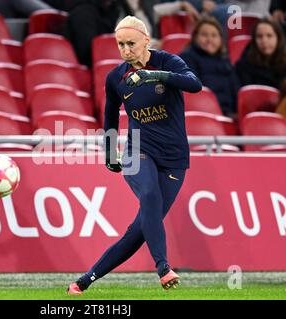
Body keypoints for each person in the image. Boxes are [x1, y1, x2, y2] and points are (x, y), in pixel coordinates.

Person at [67, 15, 202, 295]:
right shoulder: (116, 77)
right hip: (137, 149)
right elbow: (109, 115)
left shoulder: (168, 62)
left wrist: (156, 76)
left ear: (146, 41)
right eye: (120, 44)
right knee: (150, 195)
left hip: (174, 158)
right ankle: (163, 267)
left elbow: (194, 84)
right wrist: (109, 150)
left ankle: (83, 281)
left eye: (131, 43)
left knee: (140, 230)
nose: (126, 50)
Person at [180, 17, 239, 117]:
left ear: (221, 40)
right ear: (195, 37)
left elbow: (236, 93)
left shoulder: (226, 62)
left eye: (214, 35)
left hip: (228, 116)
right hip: (202, 114)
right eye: (204, 35)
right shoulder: (186, 59)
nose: (209, 39)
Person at [235, 18, 286, 90]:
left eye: (269, 36)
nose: (264, 41)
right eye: (259, 36)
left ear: (278, 38)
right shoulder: (243, 66)